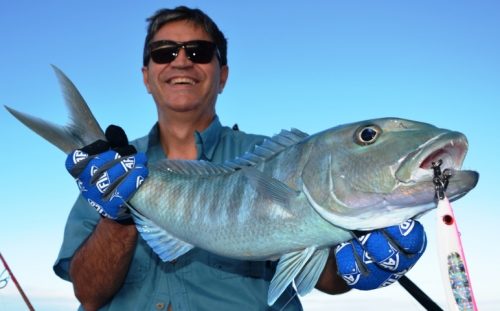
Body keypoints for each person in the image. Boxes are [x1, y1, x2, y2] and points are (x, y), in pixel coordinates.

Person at [54, 6, 427, 311]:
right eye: (164, 52)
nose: (181, 61)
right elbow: (88, 294)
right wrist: (116, 217)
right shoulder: (111, 171)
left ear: (223, 74)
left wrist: (358, 266)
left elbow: (326, 277)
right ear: (147, 77)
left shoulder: (277, 155)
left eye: (198, 52)